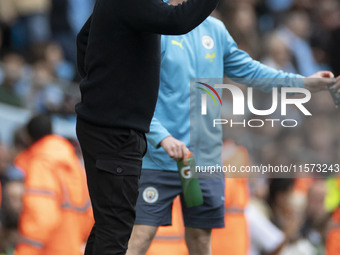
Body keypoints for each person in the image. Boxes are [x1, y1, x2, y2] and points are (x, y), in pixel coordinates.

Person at [126, 0, 340, 254]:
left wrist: (302, 83)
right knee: (140, 236)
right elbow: (131, 94)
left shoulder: (215, 30)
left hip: (204, 159)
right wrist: (161, 137)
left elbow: (251, 71)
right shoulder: (153, 27)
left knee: (201, 240)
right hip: (158, 158)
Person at [75, 0, 220, 254]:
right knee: (115, 230)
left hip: (109, 126)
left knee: (109, 226)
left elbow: (83, 38)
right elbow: (177, 20)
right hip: (115, 132)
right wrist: (106, 94)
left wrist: (101, 88)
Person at [14, 115, 93, 255]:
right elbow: (88, 215)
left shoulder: (41, 163)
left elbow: (42, 217)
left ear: (28, 137)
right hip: (72, 248)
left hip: (48, 249)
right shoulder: (72, 163)